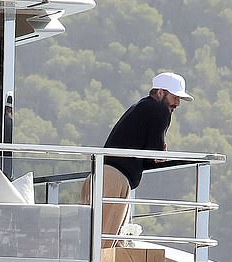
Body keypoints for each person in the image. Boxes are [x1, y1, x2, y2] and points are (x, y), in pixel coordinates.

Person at [83, 71, 194, 244]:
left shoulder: (142, 107)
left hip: (99, 176)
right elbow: (155, 154)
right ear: (160, 92)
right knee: (103, 245)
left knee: (89, 240)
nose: (177, 103)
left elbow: (149, 155)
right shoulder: (159, 110)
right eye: (175, 97)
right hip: (114, 179)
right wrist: (161, 152)